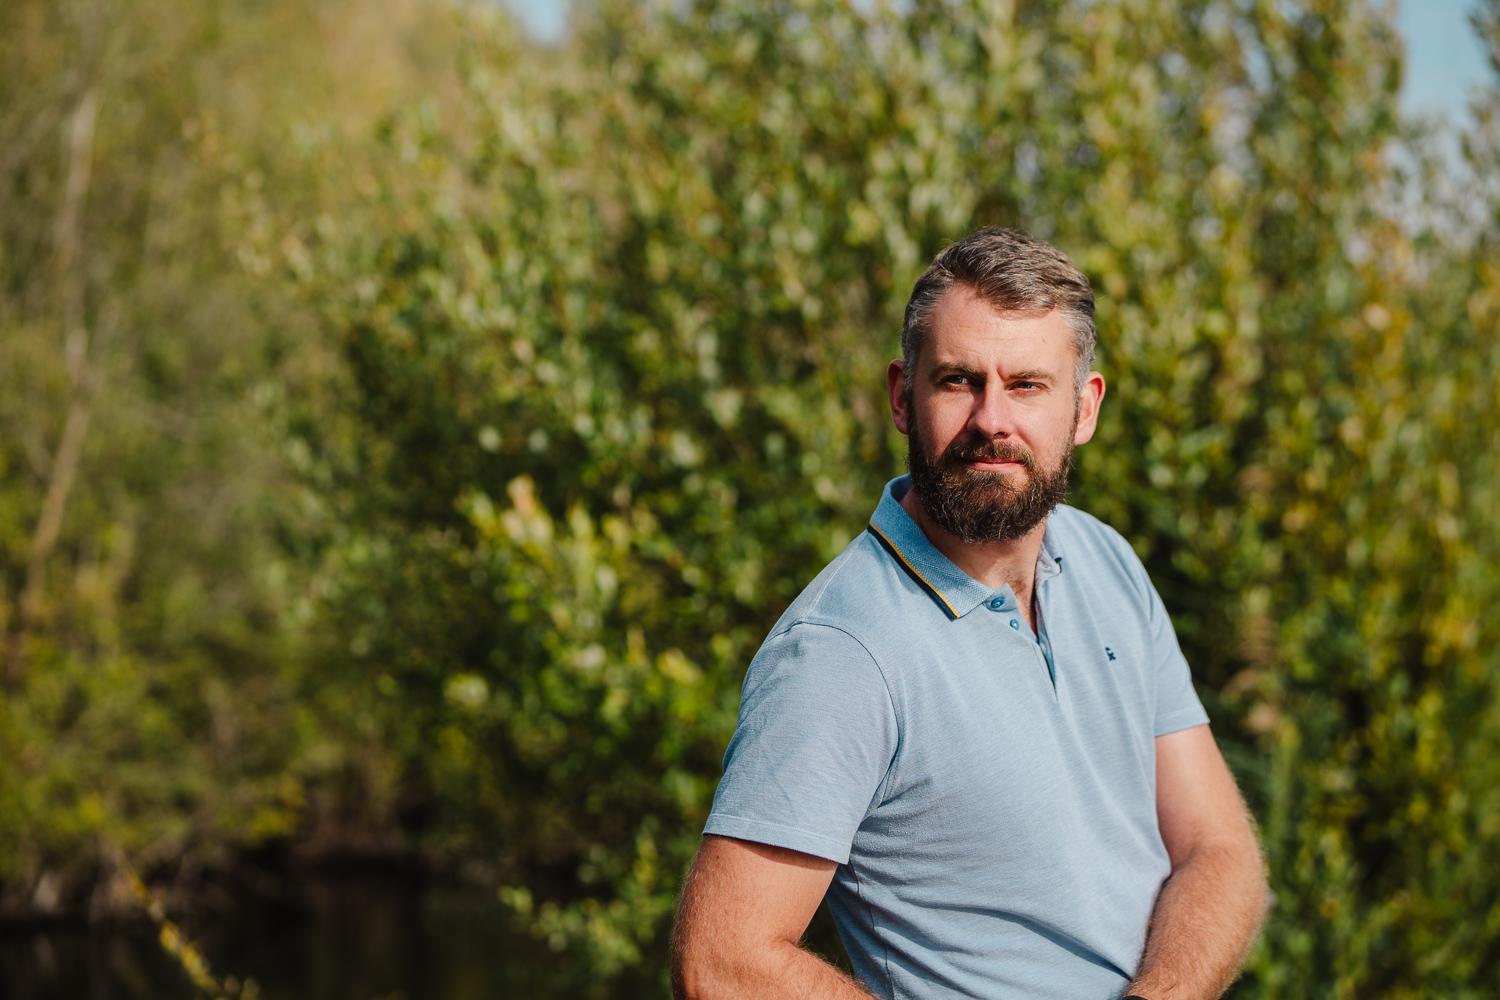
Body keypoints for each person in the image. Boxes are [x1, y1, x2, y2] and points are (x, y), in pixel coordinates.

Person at [669, 229, 1269, 1000]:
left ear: (1084, 408)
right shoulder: (842, 651)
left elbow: (1219, 848)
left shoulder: (1106, 562)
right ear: (900, 396)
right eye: (958, 381)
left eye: (1027, 385)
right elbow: (722, 963)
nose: (992, 419)